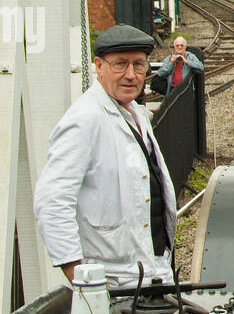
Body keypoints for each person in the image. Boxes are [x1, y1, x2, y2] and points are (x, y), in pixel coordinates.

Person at [34, 25, 176, 288]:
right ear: (99, 66)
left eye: (138, 64)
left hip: (153, 275)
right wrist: (84, 281)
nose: (131, 75)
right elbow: (52, 202)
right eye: (120, 64)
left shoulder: (135, 113)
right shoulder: (85, 120)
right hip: (113, 285)